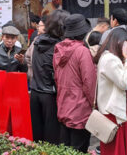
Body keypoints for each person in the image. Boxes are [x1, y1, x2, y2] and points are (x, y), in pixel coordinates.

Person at [53, 14, 96, 153]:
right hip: (80, 110)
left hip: (63, 106)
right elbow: (89, 83)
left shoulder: (58, 49)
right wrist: (94, 105)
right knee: (79, 149)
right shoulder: (82, 51)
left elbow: (57, 77)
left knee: (65, 149)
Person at [94, 28, 127, 155]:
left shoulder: (108, 57)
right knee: (115, 149)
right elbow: (124, 82)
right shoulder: (110, 59)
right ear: (120, 43)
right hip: (112, 111)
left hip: (112, 109)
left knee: (115, 148)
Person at [29, 10, 69, 145]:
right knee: (52, 138)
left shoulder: (37, 41)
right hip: (50, 95)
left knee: (37, 136)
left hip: (35, 91)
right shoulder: (59, 46)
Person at [26, 15, 47, 83]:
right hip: (34, 79)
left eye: (40, 26)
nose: (37, 28)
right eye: (38, 26)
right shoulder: (35, 39)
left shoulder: (54, 42)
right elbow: (28, 57)